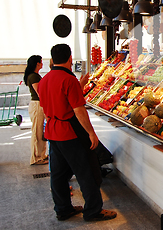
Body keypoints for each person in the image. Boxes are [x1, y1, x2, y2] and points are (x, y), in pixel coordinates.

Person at [38, 44, 117, 222]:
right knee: (88, 172)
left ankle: (63, 209)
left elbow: (44, 109)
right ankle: (93, 211)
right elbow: (79, 110)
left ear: (52, 60)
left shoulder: (45, 80)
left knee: (58, 174)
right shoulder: (68, 80)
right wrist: (91, 133)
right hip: (70, 133)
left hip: (52, 132)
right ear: (70, 58)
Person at [24, 55, 48, 165]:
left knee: (40, 131)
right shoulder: (33, 77)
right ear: (37, 63)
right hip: (37, 105)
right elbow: (40, 93)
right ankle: (36, 157)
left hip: (39, 104)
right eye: (41, 62)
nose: (42, 64)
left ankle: (42, 155)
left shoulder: (35, 75)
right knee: (37, 131)